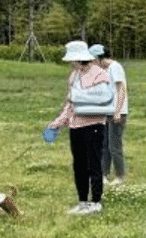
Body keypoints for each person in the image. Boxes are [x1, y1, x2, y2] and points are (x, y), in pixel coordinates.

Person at [46, 41, 112, 214]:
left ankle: (95, 202)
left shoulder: (99, 74)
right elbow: (70, 105)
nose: (71, 63)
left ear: (80, 58)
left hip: (94, 126)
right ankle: (82, 201)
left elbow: (103, 99)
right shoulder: (74, 75)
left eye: (73, 60)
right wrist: (58, 123)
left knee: (93, 164)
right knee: (79, 165)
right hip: (76, 127)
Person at [90, 44, 128, 186]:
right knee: (104, 145)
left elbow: (121, 89)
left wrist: (118, 111)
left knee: (114, 146)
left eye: (93, 61)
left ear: (100, 58)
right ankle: (104, 174)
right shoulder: (104, 70)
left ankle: (120, 176)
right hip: (106, 112)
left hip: (117, 113)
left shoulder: (115, 67)